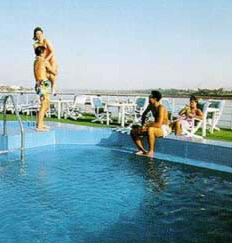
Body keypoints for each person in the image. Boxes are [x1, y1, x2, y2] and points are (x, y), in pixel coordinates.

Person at [131, 90, 171, 158]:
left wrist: (147, 125)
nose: (148, 98)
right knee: (133, 131)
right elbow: (144, 114)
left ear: (155, 99)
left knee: (150, 129)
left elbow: (159, 124)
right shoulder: (151, 105)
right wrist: (143, 125)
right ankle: (143, 151)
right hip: (155, 127)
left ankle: (151, 151)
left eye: (150, 97)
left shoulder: (161, 108)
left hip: (164, 128)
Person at [34, 46, 57, 131]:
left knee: (46, 104)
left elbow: (40, 72)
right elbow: (53, 72)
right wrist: (55, 69)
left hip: (39, 83)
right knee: (44, 104)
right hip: (44, 83)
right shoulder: (44, 61)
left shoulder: (36, 61)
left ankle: (40, 123)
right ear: (43, 53)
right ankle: (39, 126)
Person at [33, 27, 58, 95]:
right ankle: (42, 92)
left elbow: (52, 51)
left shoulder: (46, 41)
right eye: (37, 34)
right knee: (44, 76)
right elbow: (37, 53)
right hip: (42, 61)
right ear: (35, 36)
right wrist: (42, 62)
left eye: (40, 34)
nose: (39, 35)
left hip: (50, 59)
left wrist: (45, 60)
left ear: (43, 34)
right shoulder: (35, 44)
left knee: (52, 75)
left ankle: (53, 87)